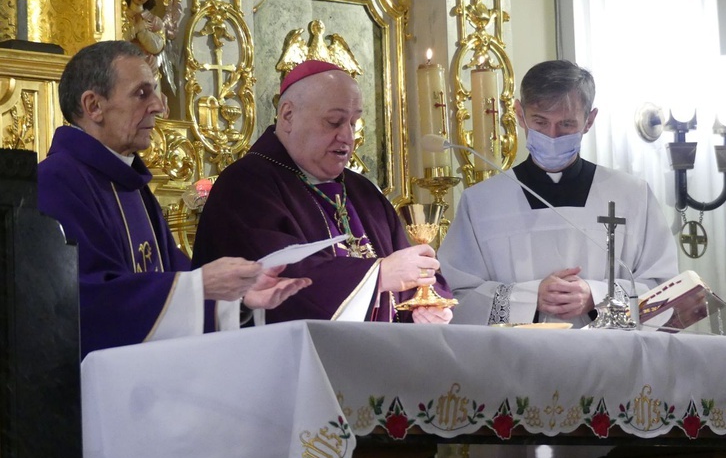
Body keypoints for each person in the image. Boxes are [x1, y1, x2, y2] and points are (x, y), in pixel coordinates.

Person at [38, 40, 311, 358]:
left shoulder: (130, 183)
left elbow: (174, 276)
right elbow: (79, 303)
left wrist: (239, 297)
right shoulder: (56, 181)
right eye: (142, 93)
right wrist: (202, 286)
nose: (159, 106)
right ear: (93, 106)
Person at [192, 60, 453, 325]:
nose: (348, 137)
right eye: (334, 121)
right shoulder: (245, 185)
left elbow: (408, 271)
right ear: (287, 115)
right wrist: (378, 275)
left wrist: (426, 306)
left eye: (354, 122)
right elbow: (275, 281)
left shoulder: (363, 192)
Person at [438, 59, 679, 327]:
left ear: (589, 120)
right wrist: (530, 298)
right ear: (519, 114)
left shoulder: (631, 196)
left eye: (566, 124)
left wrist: (597, 296)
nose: (552, 136)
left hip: (608, 359)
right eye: (540, 122)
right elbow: (454, 296)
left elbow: (664, 290)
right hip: (515, 360)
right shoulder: (482, 202)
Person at [123, 0, 165, 79]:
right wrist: (136, 28)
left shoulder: (154, 21)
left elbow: (157, 47)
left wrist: (143, 33)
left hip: (148, 67)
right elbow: (116, 40)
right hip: (124, 66)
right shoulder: (120, 16)